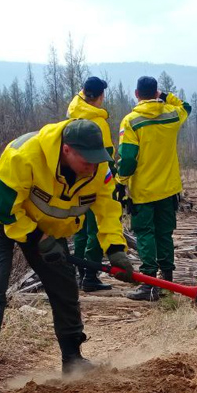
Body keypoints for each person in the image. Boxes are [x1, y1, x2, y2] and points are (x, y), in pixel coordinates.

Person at [0, 118, 135, 392]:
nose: (92, 167)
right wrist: (40, 239)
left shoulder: (99, 166)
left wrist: (116, 249)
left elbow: (107, 208)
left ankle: (73, 359)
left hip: (41, 221)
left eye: (96, 160)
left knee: (64, 285)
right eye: (86, 161)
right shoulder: (24, 155)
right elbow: (5, 209)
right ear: (67, 149)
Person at [116, 76, 192, 301]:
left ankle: (148, 282)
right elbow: (185, 106)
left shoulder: (131, 121)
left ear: (136, 94)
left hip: (144, 191)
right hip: (169, 189)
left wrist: (121, 181)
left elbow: (128, 157)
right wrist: (165, 95)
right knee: (164, 233)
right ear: (156, 92)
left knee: (145, 234)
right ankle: (167, 278)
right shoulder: (171, 114)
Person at [68, 76, 117, 293]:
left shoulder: (72, 112)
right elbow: (106, 156)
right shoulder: (98, 122)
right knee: (95, 228)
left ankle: (78, 272)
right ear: (99, 96)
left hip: (71, 178)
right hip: (94, 177)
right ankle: (90, 275)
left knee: (78, 226)